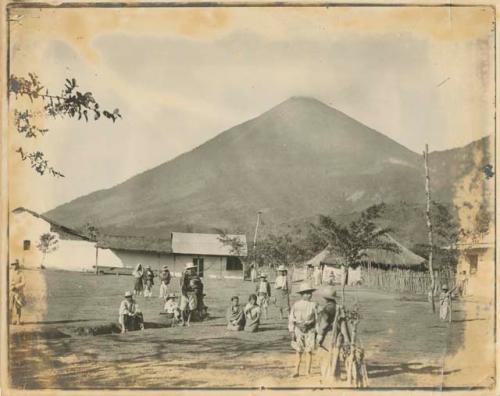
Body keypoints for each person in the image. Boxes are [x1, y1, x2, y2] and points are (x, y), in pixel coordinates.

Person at [288, 282, 319, 378]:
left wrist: (316, 330)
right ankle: (296, 370)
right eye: (306, 293)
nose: (309, 295)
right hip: (299, 329)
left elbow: (317, 319)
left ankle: (307, 372)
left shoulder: (314, 305)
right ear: (302, 294)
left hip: (309, 329)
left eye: (310, 293)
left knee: (309, 351)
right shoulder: (296, 305)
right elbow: (291, 319)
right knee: (299, 350)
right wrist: (292, 331)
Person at [10, 260, 25, 325]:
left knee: (18, 307)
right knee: (10, 307)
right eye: (12, 264)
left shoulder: (21, 273)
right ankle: (10, 320)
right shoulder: (10, 272)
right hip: (10, 292)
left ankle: (18, 321)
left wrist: (16, 286)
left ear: (18, 264)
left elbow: (24, 283)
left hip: (18, 292)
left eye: (15, 264)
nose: (13, 266)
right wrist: (10, 286)